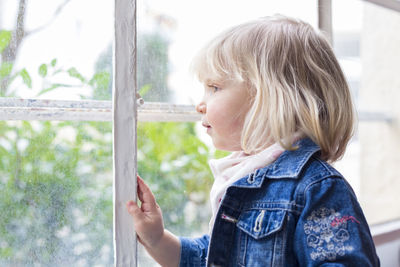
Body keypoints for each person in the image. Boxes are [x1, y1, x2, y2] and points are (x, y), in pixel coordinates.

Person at [126, 15, 380, 267]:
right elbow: (214, 255)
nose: (200, 105)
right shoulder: (243, 175)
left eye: (214, 87)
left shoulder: (318, 189)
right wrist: (157, 240)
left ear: (269, 98)